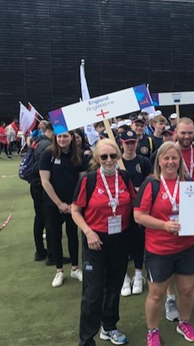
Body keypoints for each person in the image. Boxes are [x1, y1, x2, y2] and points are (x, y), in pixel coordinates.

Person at [134, 142, 194, 345]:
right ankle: (152, 330)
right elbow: (139, 216)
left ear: (180, 160)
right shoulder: (151, 184)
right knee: (157, 294)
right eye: (166, 158)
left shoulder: (188, 182)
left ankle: (184, 322)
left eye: (174, 158)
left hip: (186, 247)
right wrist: (164, 225)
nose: (171, 162)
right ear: (159, 161)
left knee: (187, 290)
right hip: (159, 249)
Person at [71, 139, 135, 346]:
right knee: (93, 293)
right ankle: (86, 339)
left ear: (118, 157)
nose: (109, 160)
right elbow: (75, 210)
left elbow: (134, 203)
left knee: (114, 287)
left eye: (113, 156)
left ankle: (109, 327)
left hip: (120, 239)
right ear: (97, 158)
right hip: (94, 240)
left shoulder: (124, 176)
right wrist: (89, 232)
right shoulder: (88, 180)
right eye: (104, 157)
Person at [164, 117, 194, 321]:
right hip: (172, 209)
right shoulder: (168, 151)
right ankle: (170, 298)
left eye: (190, 132)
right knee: (172, 253)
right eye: (183, 132)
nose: (186, 136)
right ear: (176, 132)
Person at [39, 130, 87, 287]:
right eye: (59, 136)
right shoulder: (48, 154)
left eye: (65, 136)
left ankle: (75, 268)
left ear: (71, 137)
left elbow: (82, 181)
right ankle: (59, 270)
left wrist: (75, 203)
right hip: (53, 204)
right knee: (55, 235)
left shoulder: (78, 155)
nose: (62, 139)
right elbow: (45, 181)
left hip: (73, 204)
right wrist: (59, 203)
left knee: (73, 234)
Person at [119, 129, 152, 297]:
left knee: (138, 242)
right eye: (127, 143)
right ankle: (124, 276)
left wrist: (140, 190)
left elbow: (150, 182)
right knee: (122, 243)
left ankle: (139, 275)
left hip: (139, 209)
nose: (130, 146)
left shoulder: (143, 161)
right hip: (120, 209)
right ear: (122, 144)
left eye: (133, 142)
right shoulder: (116, 162)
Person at [30, 122, 55, 262]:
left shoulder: (38, 142)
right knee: (47, 218)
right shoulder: (47, 146)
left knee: (39, 217)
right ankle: (50, 253)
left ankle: (40, 251)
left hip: (36, 183)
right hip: (41, 184)